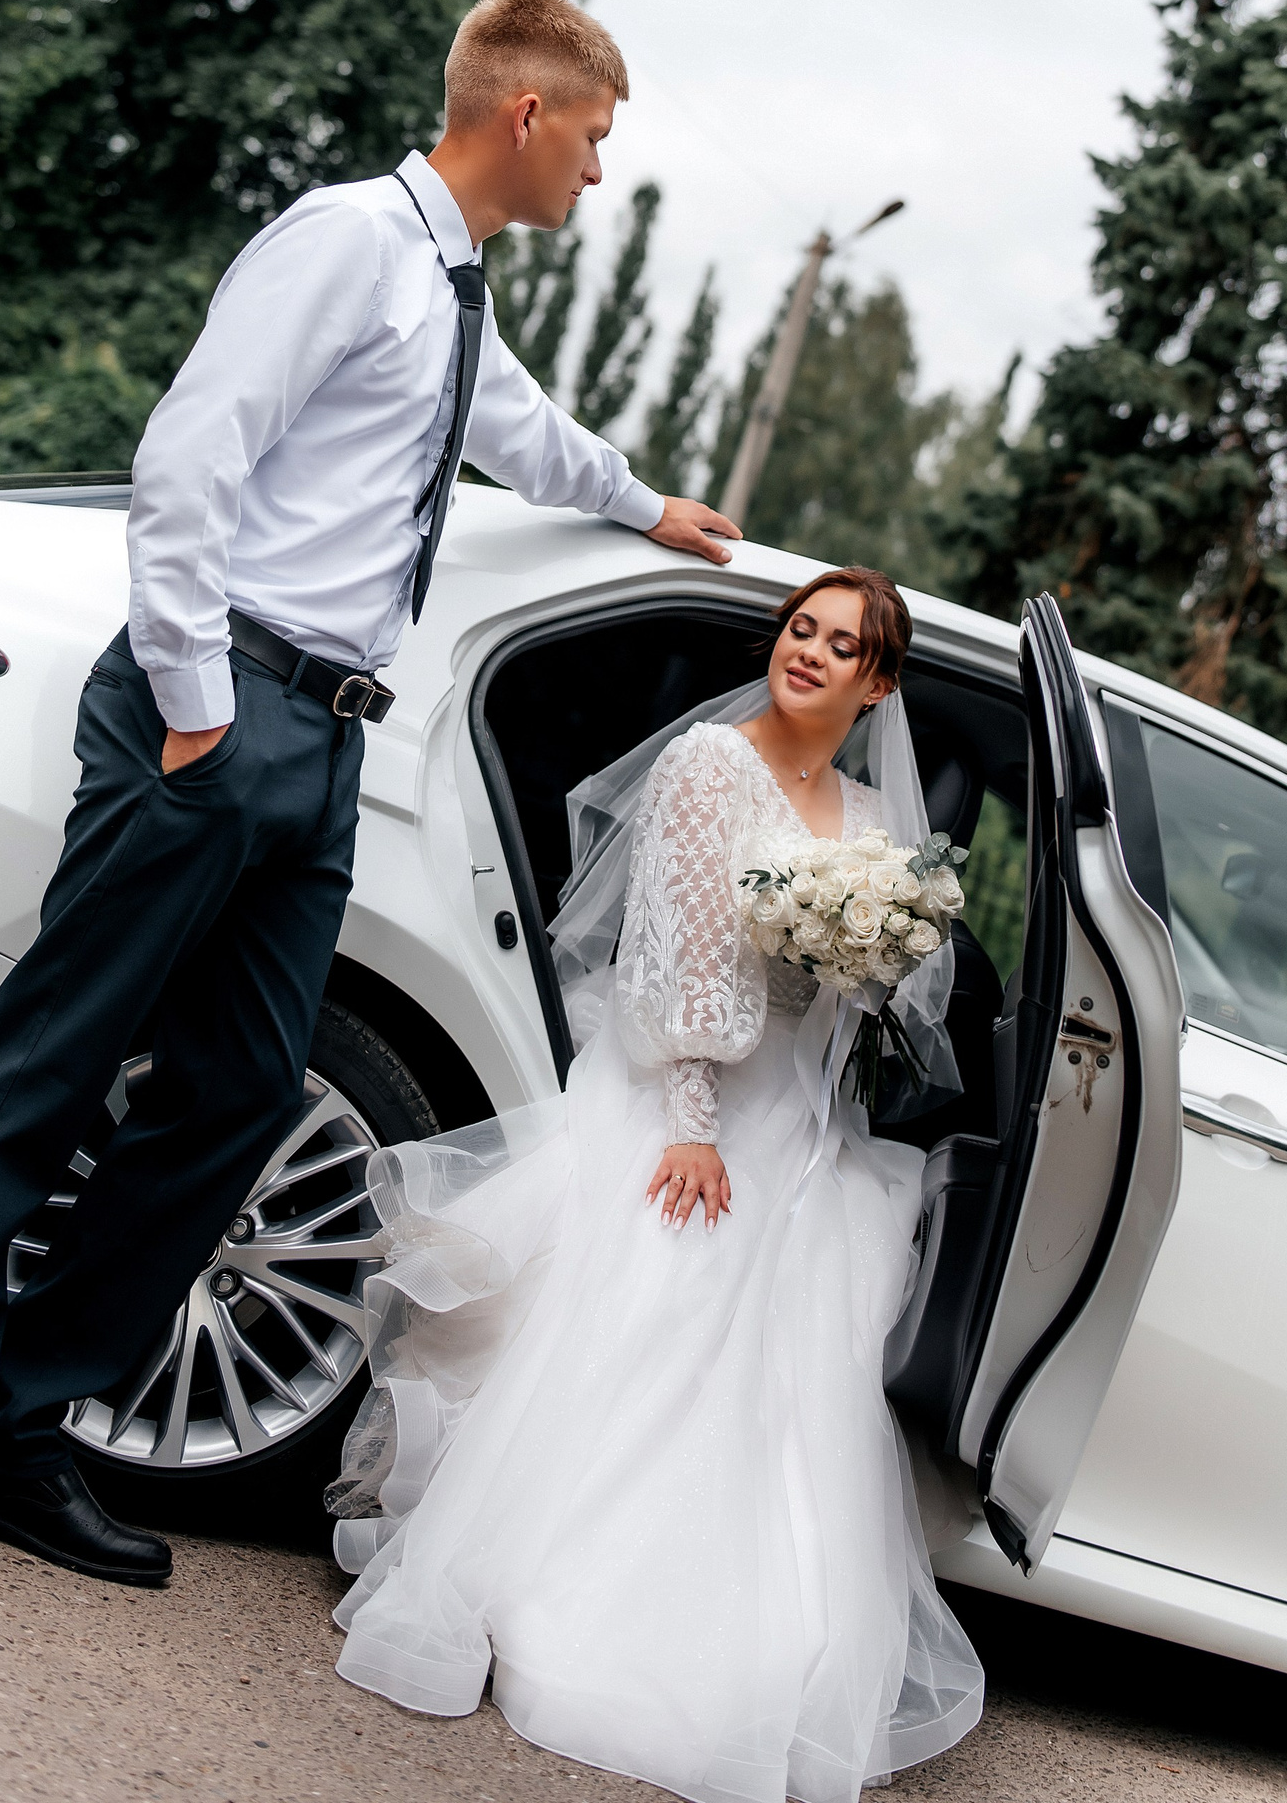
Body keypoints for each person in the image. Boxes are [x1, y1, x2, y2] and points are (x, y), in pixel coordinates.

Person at [0, 0, 736, 1609]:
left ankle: (20, 1423)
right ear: (524, 113)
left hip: (323, 749)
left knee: (244, 1089)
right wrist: (195, 704)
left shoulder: (453, 294)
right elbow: (191, 457)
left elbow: (524, 439)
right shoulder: (343, 241)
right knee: (51, 1060)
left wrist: (649, 504)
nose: (598, 173)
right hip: (222, 705)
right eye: (595, 139)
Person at [326, 566, 985, 1803]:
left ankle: (744, 1613)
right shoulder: (706, 767)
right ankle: (567, 1587)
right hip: (685, 1097)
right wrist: (692, 1123)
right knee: (670, 1298)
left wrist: (868, 960)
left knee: (802, 1340)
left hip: (801, 1117)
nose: (808, 652)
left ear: (876, 684)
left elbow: (858, 1002)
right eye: (800, 628)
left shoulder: (863, 816)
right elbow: (672, 949)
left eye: (841, 645)